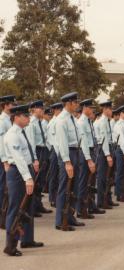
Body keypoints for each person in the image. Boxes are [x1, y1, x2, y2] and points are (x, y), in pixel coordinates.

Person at [3, 104, 44, 256]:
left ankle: (27, 239)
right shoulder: (12, 135)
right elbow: (18, 159)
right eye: (25, 116)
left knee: (27, 207)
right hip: (18, 173)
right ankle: (10, 246)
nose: (28, 118)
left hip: (26, 170)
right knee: (16, 209)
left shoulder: (21, 132)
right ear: (17, 117)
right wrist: (27, 178)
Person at [55, 92, 84, 231]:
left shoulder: (72, 118)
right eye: (75, 103)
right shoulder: (62, 120)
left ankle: (70, 217)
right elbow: (62, 143)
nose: (77, 105)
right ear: (69, 103)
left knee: (73, 188)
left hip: (75, 152)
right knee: (64, 188)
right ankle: (60, 220)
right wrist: (67, 162)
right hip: (67, 154)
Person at [25, 100, 52, 216]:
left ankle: (38, 204)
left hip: (43, 150)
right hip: (37, 152)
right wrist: (34, 159)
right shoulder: (31, 123)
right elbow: (31, 143)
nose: (42, 111)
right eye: (40, 109)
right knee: (35, 180)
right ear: (33, 109)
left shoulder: (41, 123)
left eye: (42, 109)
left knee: (41, 180)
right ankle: (32, 207)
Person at [94, 100, 118, 209]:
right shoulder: (102, 121)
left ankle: (107, 199)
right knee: (102, 177)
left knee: (109, 177)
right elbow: (103, 140)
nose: (111, 111)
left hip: (108, 148)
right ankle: (101, 201)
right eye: (110, 109)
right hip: (103, 150)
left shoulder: (107, 121)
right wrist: (108, 155)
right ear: (105, 109)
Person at [0, 95, 16, 226]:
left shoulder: (9, 120)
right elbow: (1, 142)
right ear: (5, 105)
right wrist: (5, 161)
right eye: (12, 104)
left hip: (10, 158)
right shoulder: (2, 120)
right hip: (4, 159)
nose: (14, 106)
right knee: (2, 187)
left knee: (7, 188)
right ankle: (2, 215)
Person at [46, 102, 63, 207]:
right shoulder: (53, 122)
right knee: (54, 175)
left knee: (58, 176)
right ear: (56, 110)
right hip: (55, 151)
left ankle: (55, 197)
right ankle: (52, 198)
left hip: (58, 150)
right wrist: (55, 152)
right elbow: (51, 140)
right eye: (60, 110)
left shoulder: (58, 121)